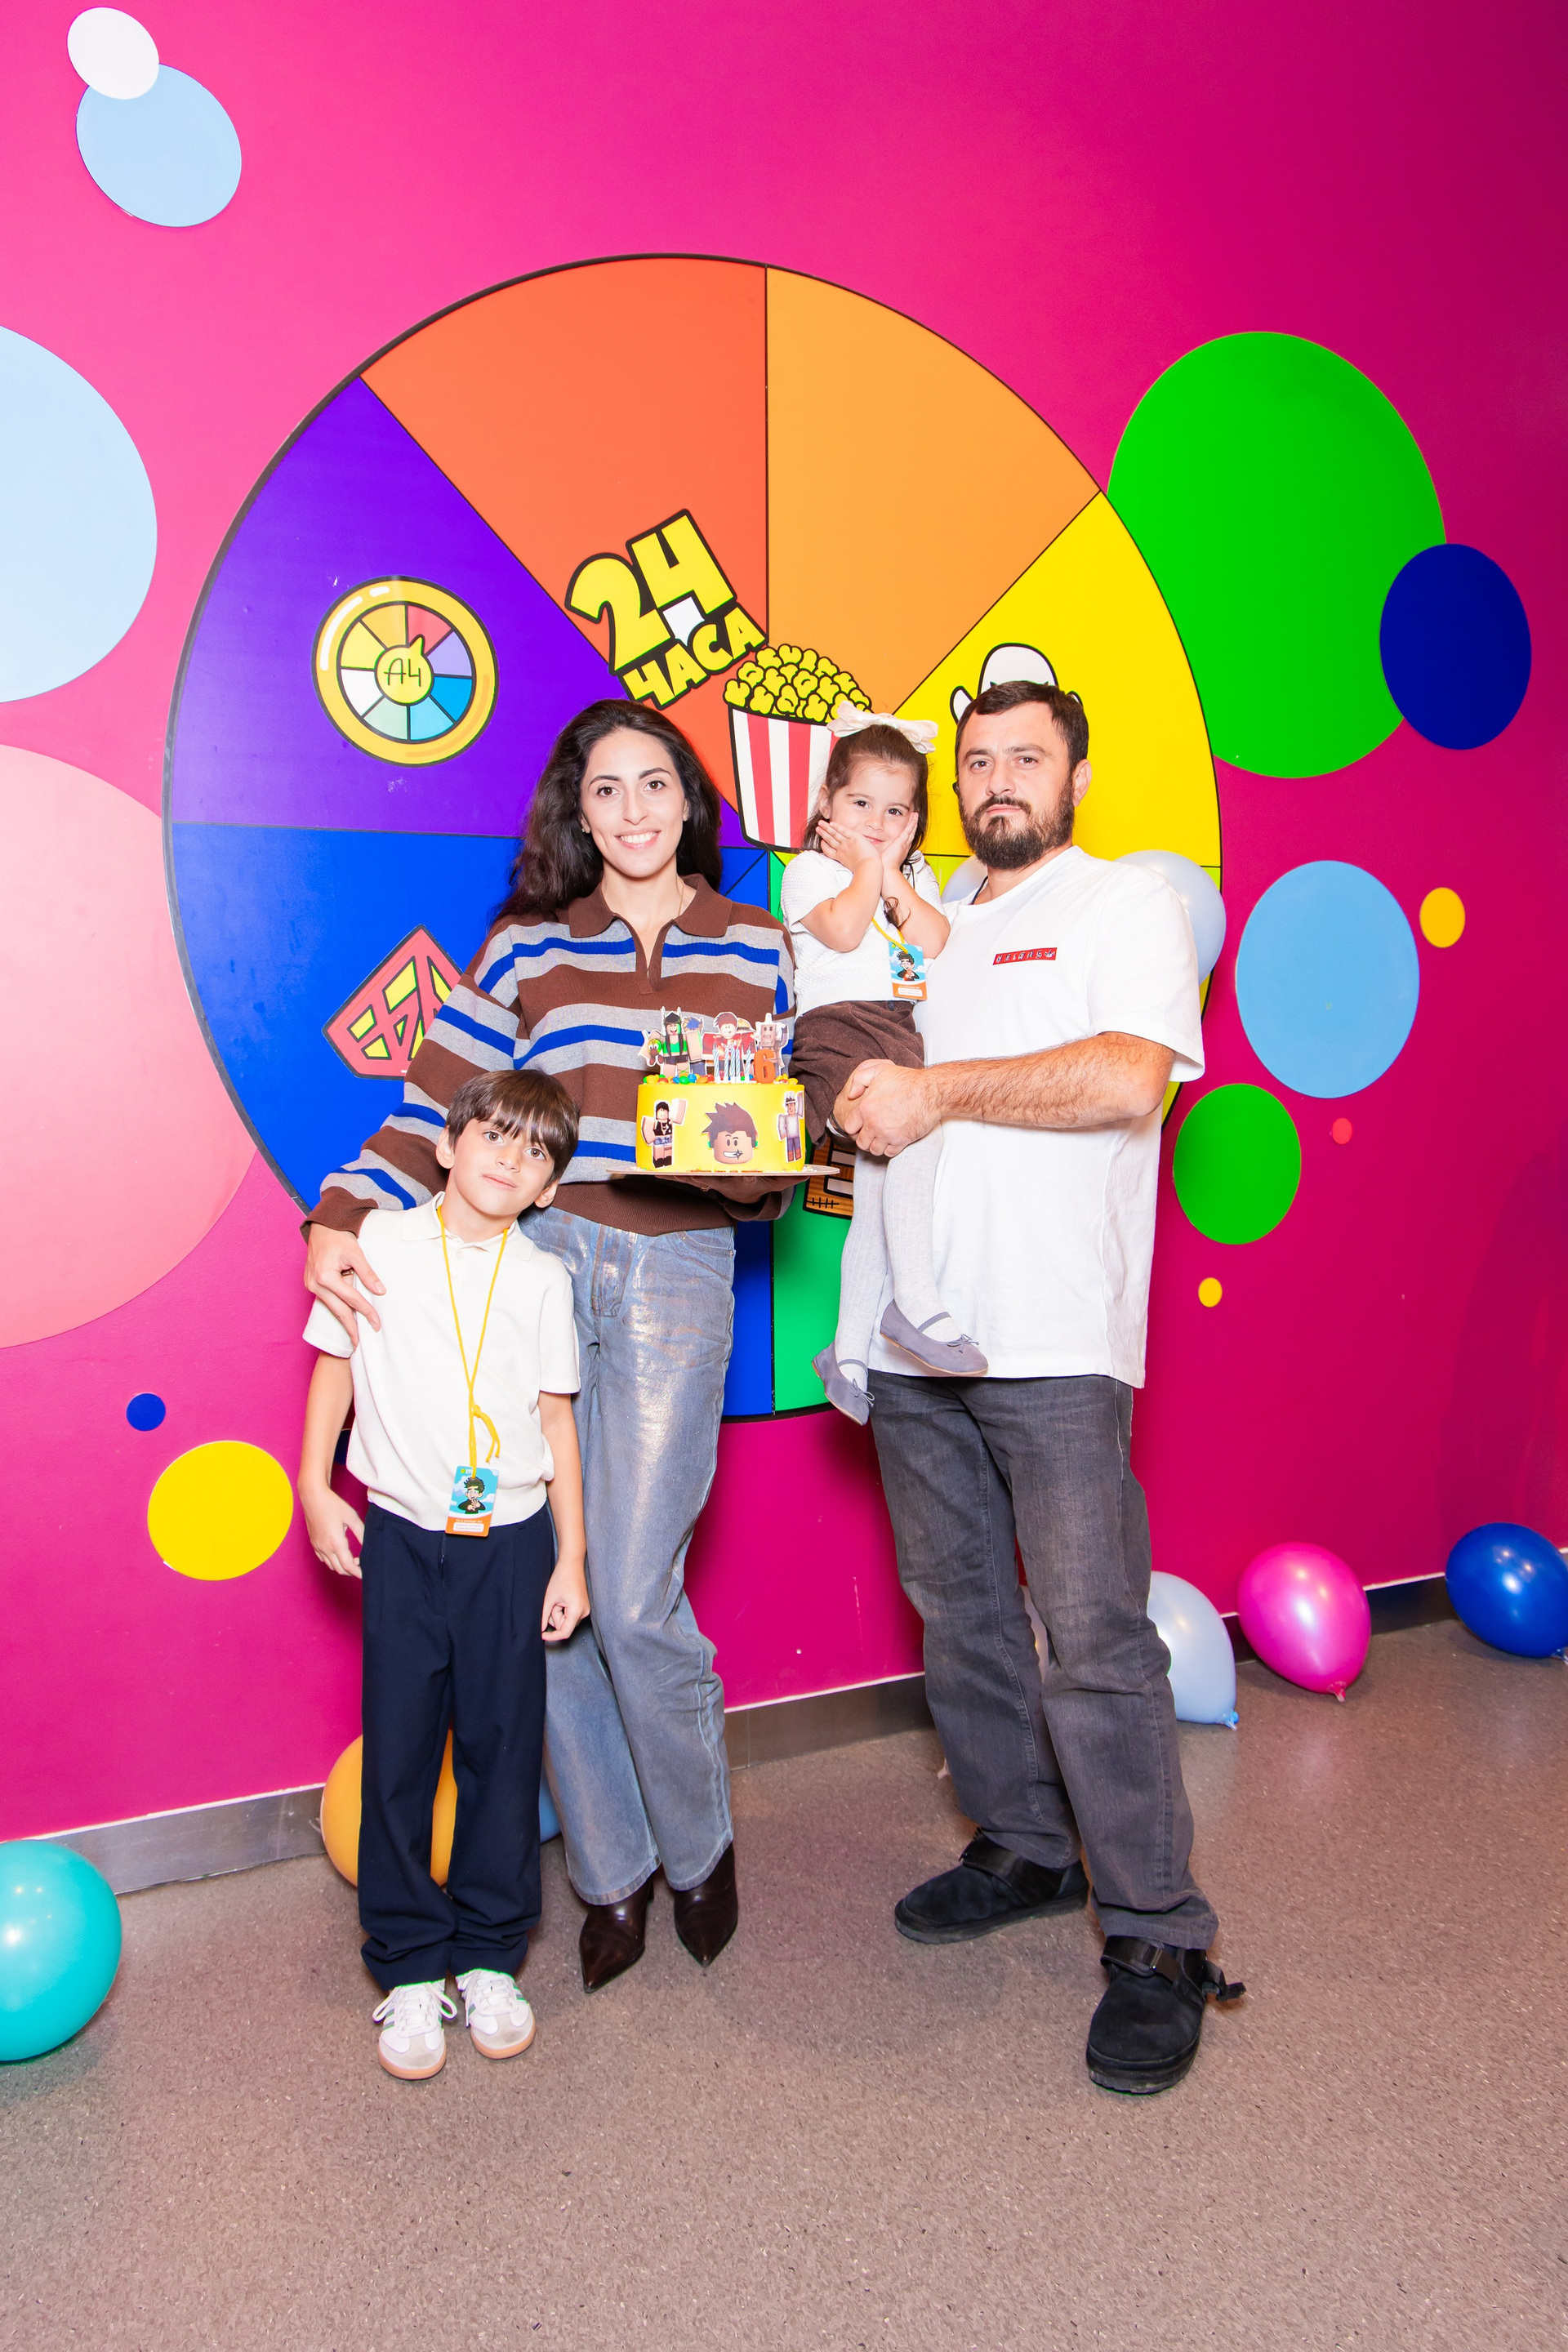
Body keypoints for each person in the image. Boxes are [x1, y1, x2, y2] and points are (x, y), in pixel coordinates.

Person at [303, 702, 795, 1993]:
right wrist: (337, 1214)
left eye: (654, 784)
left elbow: (785, 1144)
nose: (633, 811)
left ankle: (700, 1849)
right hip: (551, 1257)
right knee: (544, 1595)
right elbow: (435, 1110)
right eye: (605, 790)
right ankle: (613, 1871)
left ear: (690, 801)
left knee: (629, 1593)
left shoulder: (758, 943)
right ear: (579, 813)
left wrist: (759, 1173)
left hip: (683, 1265)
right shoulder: (529, 946)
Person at [837, 678, 1243, 2096]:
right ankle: (1023, 1843)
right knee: (959, 1613)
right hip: (913, 1338)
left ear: (1076, 777)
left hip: (1055, 1339)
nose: (999, 778)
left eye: (1028, 756)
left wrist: (940, 1090)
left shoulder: (1122, 903)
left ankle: (1158, 1934)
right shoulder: (932, 920)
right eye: (978, 760)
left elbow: (1132, 1078)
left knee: (1094, 1636)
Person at [298, 1070, 589, 2080]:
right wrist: (313, 1484)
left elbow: (557, 1423)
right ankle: (411, 1965)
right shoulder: (376, 1243)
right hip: (404, 1535)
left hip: (511, 1541)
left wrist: (572, 1558)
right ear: (448, 1143)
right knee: (402, 1750)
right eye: (495, 1135)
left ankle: (490, 1956)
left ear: (551, 1186)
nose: (512, 1158)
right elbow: (335, 1365)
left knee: (503, 1751)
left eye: (537, 1151)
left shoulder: (544, 1279)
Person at [780, 710, 984, 1427]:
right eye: (860, 804)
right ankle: (915, 1303)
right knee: (922, 1132)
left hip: (898, 1028)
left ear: (915, 819)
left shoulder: (910, 874)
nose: (875, 822)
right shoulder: (809, 872)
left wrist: (894, 873)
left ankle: (849, 1352)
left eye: (895, 811)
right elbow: (841, 931)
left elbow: (936, 941)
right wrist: (869, 867)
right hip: (838, 1032)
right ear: (826, 804)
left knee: (876, 1190)